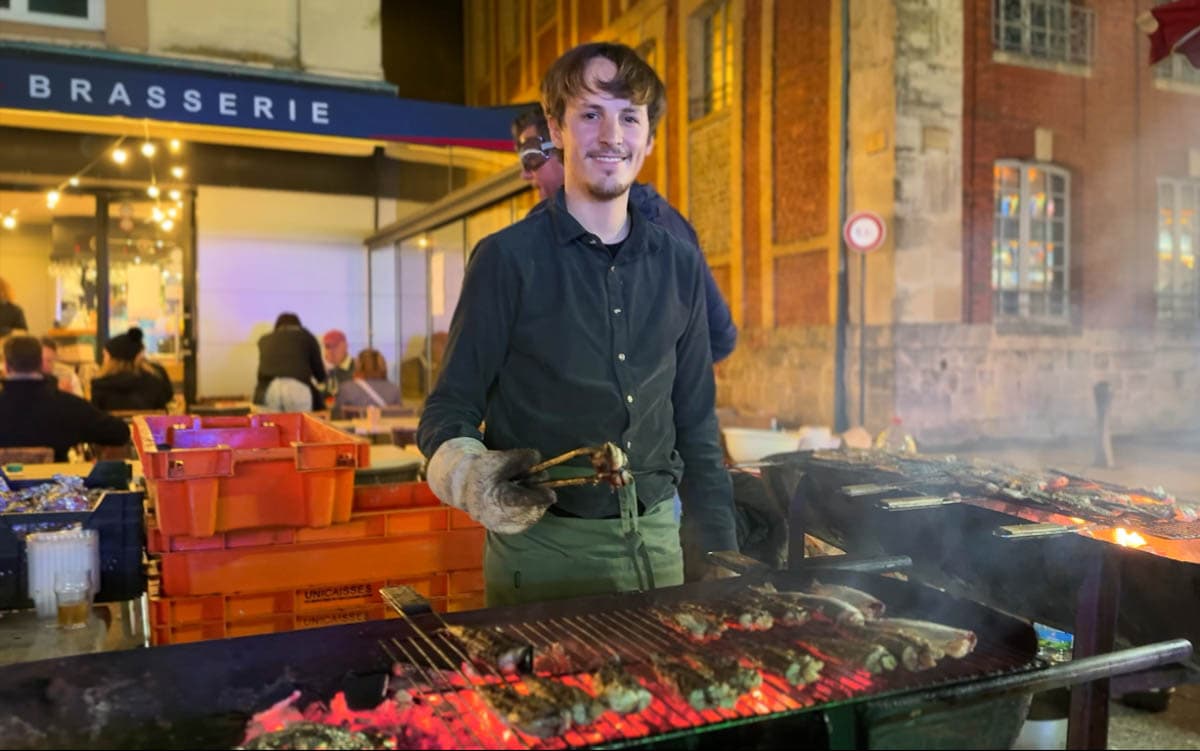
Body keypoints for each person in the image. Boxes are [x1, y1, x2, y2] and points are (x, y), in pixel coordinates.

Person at [419, 42, 737, 607]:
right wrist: (469, 476)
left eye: (629, 116)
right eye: (591, 114)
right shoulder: (507, 260)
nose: (612, 135)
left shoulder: (679, 263)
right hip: (545, 561)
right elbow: (449, 409)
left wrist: (720, 556)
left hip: (660, 549)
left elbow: (696, 423)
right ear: (557, 129)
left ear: (649, 137)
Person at [512, 104, 738, 362]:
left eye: (531, 156)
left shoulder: (549, 230)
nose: (525, 173)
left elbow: (717, 335)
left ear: (564, 143)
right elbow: (719, 335)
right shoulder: (669, 220)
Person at [0, 335, 129, 461]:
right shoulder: (69, 406)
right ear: (40, 364)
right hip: (54, 480)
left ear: (5, 366)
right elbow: (120, 432)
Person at [254, 312, 326, 412]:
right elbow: (319, 372)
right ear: (298, 325)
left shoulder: (264, 340)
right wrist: (322, 380)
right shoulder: (307, 337)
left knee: (271, 426)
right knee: (300, 425)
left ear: (277, 326)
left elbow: (262, 371)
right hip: (298, 387)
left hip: (268, 389)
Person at [90, 328, 174, 411]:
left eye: (105, 355)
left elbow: (96, 416)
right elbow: (165, 403)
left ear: (112, 359)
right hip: (145, 424)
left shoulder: (100, 387)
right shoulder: (155, 380)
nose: (103, 359)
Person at [331, 348, 402, 419]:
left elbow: (335, 417)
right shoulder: (394, 390)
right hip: (386, 430)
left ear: (358, 367)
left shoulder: (346, 389)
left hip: (350, 430)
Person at [322, 329, 354, 400]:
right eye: (327, 347)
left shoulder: (357, 368)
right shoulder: (326, 370)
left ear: (345, 346)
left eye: (335, 346)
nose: (331, 351)